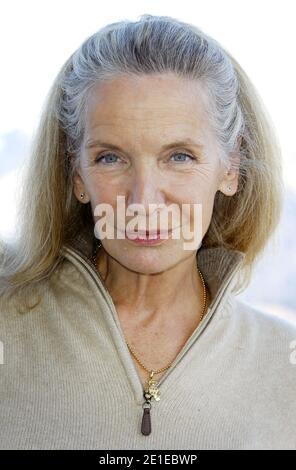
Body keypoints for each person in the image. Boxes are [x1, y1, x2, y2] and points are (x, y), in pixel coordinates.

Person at [0, 14, 295, 450]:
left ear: (230, 167)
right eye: (110, 158)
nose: (143, 201)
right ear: (76, 173)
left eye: (178, 156)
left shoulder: (282, 365)